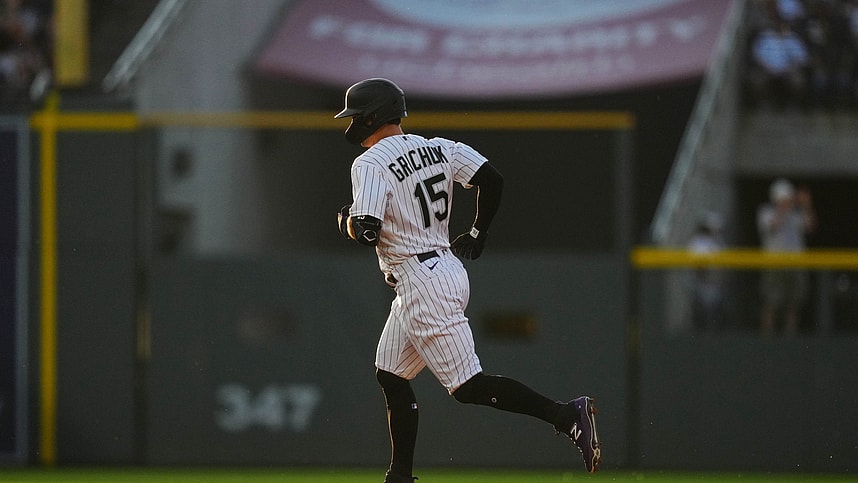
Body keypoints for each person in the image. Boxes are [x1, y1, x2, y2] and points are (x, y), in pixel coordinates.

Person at [334, 78, 600, 482]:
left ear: (371, 117)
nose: (351, 123)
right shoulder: (440, 147)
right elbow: (492, 178)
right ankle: (399, 475)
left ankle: (565, 415)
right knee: (391, 373)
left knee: (468, 387)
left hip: (420, 280)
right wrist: (478, 233)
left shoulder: (369, 163)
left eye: (356, 116)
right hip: (442, 269)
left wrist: (346, 222)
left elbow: (368, 230)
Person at [756, 178, 816, 336]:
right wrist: (784, 207)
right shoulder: (765, 212)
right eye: (785, 198)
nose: (789, 201)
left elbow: (810, 227)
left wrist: (806, 205)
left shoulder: (795, 214)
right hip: (774, 263)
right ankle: (767, 338)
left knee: (793, 304)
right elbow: (773, 226)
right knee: (771, 302)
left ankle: (790, 338)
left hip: (795, 264)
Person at [687, 212, 728, 332]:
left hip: (716, 283)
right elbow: (697, 267)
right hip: (700, 283)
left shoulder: (718, 241)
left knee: (717, 317)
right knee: (701, 317)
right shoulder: (696, 242)